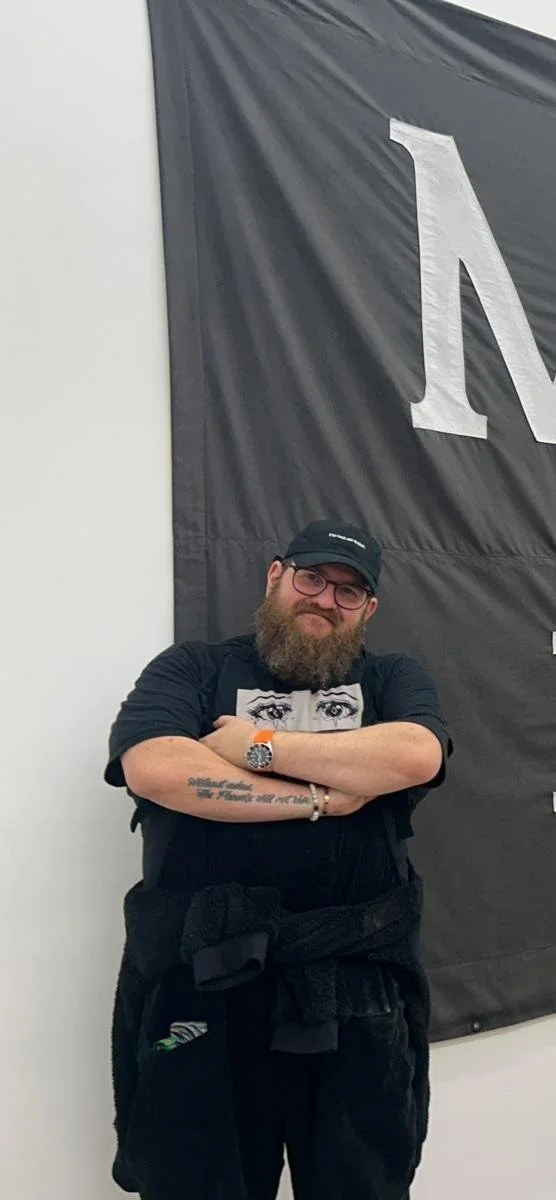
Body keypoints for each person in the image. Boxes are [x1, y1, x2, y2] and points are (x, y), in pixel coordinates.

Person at [105, 519, 453, 1200]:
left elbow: (414, 754)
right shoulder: (193, 669)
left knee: (366, 1186)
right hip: (202, 985)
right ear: (276, 576)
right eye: (313, 577)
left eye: (349, 591)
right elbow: (154, 768)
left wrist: (253, 746)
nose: (326, 599)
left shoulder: (391, 678)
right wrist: (323, 797)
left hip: (357, 992)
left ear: (368, 610)